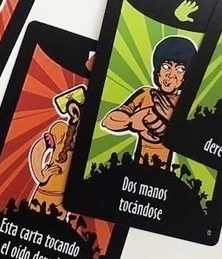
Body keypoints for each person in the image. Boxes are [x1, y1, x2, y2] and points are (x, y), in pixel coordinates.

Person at [102, 36, 196, 169]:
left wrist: (171, 119)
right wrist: (134, 121)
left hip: (163, 172)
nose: (171, 74)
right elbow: (108, 121)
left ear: (185, 77)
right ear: (158, 71)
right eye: (166, 66)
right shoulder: (146, 94)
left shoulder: (183, 103)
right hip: (138, 166)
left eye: (180, 69)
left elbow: (193, 141)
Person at [28, 87, 84, 217]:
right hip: (45, 195)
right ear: (75, 112)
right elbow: (38, 149)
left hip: (64, 201)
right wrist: (41, 176)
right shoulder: (61, 129)